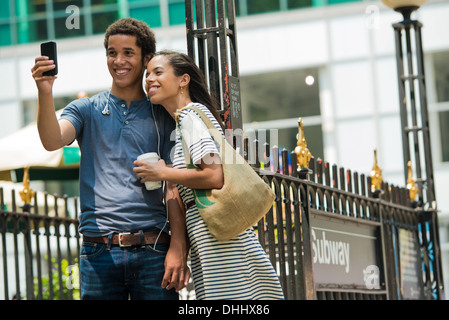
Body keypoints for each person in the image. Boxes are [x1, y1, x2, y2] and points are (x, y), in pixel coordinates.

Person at [31, 18, 189, 300]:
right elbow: (52, 140)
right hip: (97, 253)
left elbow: (174, 186)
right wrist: (45, 91)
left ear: (146, 59)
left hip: (154, 248)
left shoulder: (163, 114)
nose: (119, 61)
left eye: (128, 52)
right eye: (112, 53)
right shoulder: (86, 109)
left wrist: (178, 246)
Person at [134, 50, 285, 300]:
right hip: (211, 235)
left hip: (220, 239)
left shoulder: (191, 116)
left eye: (158, 72)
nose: (149, 79)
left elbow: (214, 176)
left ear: (183, 80)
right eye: (147, 74)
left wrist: (162, 172)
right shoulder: (184, 121)